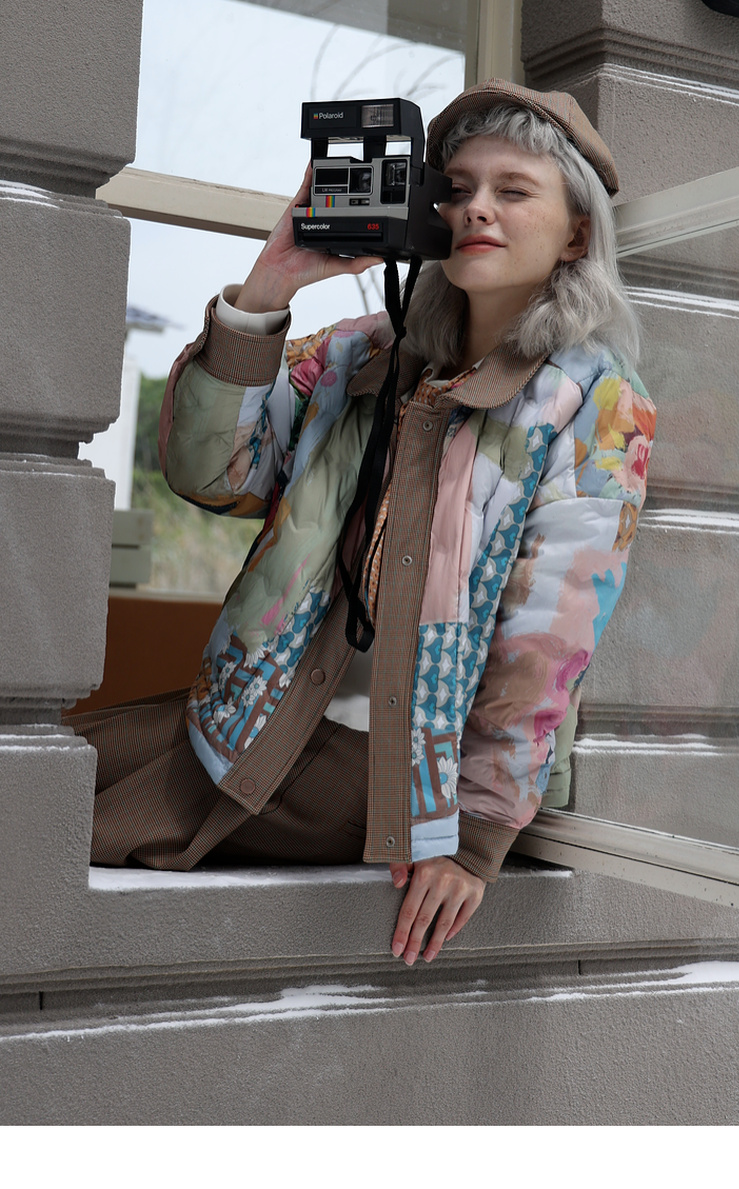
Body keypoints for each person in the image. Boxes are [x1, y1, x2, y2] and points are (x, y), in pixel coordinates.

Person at [71, 79, 656, 967]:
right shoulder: (363, 354)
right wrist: (272, 283)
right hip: (254, 715)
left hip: (397, 777)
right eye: (456, 188)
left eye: (513, 190)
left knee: (45, 813)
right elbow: (210, 471)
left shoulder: (598, 402)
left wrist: (476, 838)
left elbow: (548, 639)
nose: (476, 208)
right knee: (42, 771)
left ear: (577, 233)